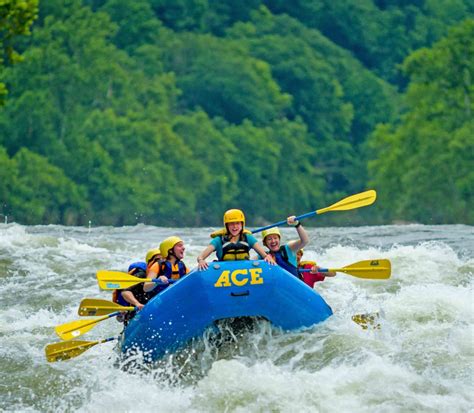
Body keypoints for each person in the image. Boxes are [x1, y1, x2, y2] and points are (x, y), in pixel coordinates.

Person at [197, 209, 275, 270]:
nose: (235, 226)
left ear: (242, 224)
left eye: (237, 223)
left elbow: (264, 255)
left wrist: (267, 257)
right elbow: (200, 257)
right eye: (231, 224)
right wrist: (201, 261)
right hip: (224, 273)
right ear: (226, 225)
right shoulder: (218, 240)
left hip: (245, 272)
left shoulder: (248, 238)